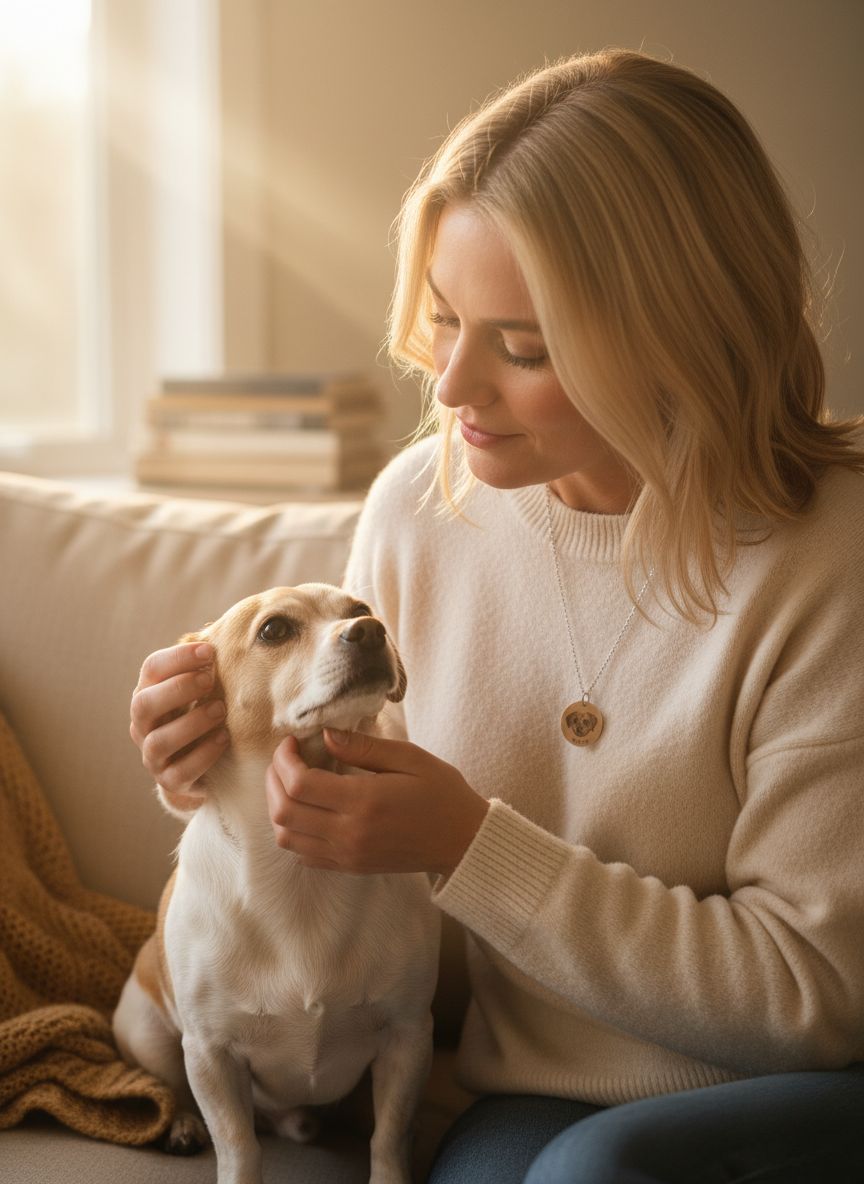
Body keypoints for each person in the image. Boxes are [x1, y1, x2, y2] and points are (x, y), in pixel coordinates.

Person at [130, 49, 864, 1184]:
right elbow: (352, 822)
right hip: (522, 1093)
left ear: (682, 331)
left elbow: (821, 994)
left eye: (522, 347)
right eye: (441, 321)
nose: (454, 387)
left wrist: (474, 846)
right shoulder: (419, 509)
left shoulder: (829, 553)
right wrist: (216, 760)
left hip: (791, 1086)